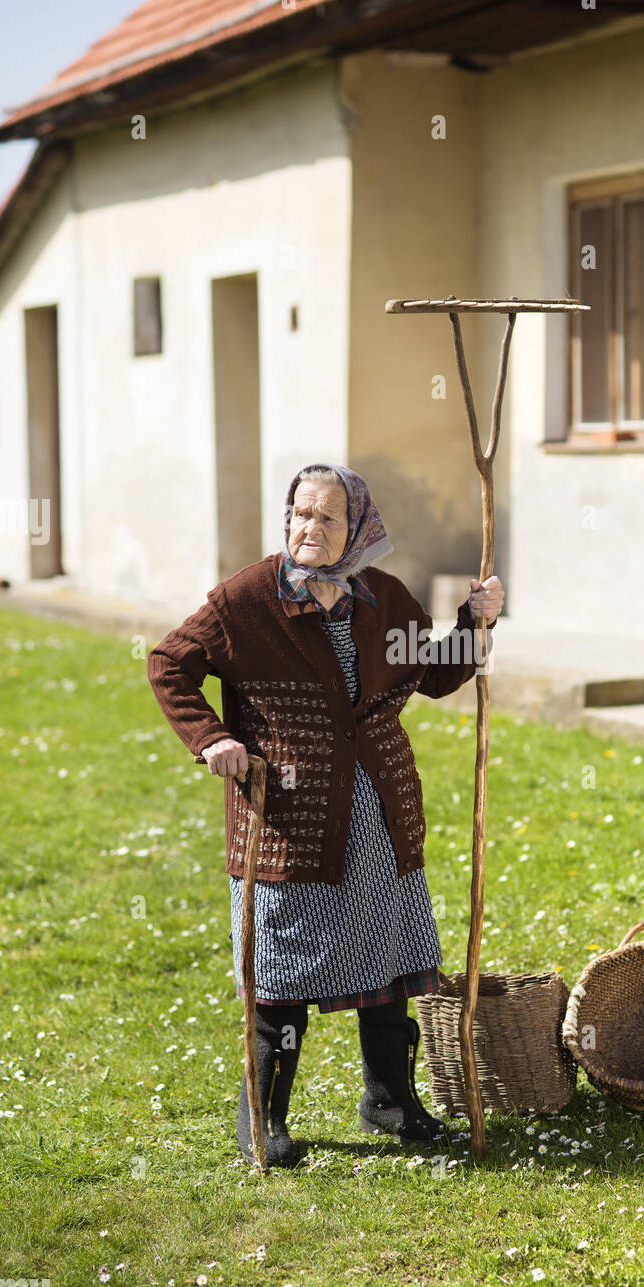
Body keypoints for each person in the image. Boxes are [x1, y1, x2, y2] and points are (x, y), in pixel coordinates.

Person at [147, 464, 504, 1166]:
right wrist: (214, 738)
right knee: (280, 967)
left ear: (358, 529)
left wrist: (475, 622)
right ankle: (263, 1115)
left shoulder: (383, 598)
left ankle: (389, 1102)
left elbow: (431, 675)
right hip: (287, 814)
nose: (308, 528)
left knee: (391, 957)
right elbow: (169, 664)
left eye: (326, 518)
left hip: (379, 809)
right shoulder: (244, 600)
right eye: (299, 514)